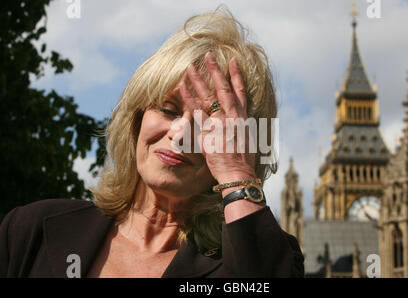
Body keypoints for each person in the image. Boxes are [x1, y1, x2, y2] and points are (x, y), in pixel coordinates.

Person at [0, 8, 304, 278]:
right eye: (168, 110)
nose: (180, 133)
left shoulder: (256, 259)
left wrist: (237, 176)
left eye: (208, 124)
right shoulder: (32, 230)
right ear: (137, 119)